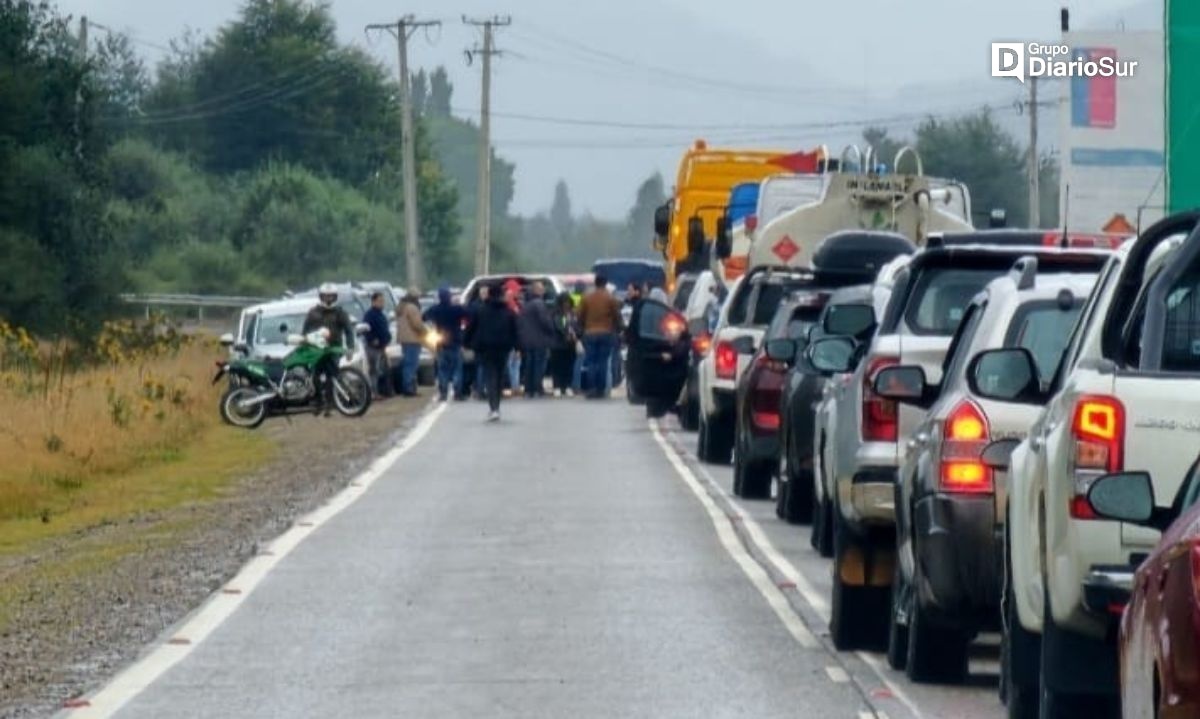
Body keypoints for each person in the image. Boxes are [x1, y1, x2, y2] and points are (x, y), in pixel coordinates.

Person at [464, 280, 519, 422]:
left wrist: (466, 343)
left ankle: (493, 408)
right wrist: (518, 347)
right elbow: (515, 331)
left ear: (489, 294)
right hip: (503, 348)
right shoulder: (508, 311)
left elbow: (471, 328)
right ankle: (497, 406)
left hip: (486, 348)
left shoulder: (481, 310)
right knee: (500, 376)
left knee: (490, 376)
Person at [301, 283, 355, 416]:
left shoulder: (340, 313)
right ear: (321, 297)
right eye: (326, 296)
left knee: (332, 376)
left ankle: (330, 404)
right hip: (316, 349)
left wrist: (350, 348)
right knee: (315, 376)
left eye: (331, 296)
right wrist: (304, 345)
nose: (328, 299)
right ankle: (318, 401)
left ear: (335, 297)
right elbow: (305, 332)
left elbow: (349, 331)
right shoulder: (313, 312)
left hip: (334, 349)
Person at [577, 274, 623, 399]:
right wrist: (619, 329)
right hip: (606, 333)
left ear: (595, 283)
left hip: (590, 333)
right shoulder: (610, 298)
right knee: (602, 362)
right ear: (605, 283)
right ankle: (600, 390)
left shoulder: (587, 298)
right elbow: (617, 316)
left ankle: (591, 388)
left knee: (591, 361)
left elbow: (579, 315)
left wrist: (580, 331)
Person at [425, 285, 468, 401]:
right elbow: (468, 314)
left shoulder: (435, 309)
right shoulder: (456, 309)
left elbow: (424, 317)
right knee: (457, 369)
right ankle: (457, 393)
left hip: (441, 343)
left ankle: (443, 393)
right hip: (455, 342)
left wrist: (433, 322)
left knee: (442, 370)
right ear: (449, 297)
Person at [516, 282, 558, 398]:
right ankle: (537, 388)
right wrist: (552, 330)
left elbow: (520, 323)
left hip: (527, 341)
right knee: (539, 365)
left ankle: (528, 389)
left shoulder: (525, 305)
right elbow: (545, 321)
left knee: (529, 365)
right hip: (539, 340)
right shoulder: (539, 304)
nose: (543, 291)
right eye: (541, 289)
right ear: (537, 291)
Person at [394, 288, 429, 397]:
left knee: (407, 363)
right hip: (413, 338)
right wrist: (426, 331)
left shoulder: (401, 307)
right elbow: (417, 324)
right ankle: (409, 388)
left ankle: (407, 387)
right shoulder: (412, 307)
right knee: (412, 365)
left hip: (404, 339)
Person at [362, 291, 393, 399]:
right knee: (374, 370)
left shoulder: (381, 314)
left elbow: (384, 329)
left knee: (384, 369)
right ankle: (374, 393)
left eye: (383, 301)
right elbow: (366, 330)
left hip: (382, 347)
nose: (382, 303)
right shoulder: (369, 315)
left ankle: (385, 391)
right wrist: (372, 340)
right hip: (373, 347)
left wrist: (387, 339)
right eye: (380, 301)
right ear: (373, 301)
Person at [549, 292, 579, 397]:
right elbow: (559, 326)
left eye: (568, 302)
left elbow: (578, 326)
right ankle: (557, 386)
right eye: (564, 302)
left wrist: (576, 334)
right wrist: (567, 333)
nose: (566, 305)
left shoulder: (573, 314)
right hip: (558, 344)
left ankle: (567, 386)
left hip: (570, 344)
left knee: (569, 366)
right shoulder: (557, 314)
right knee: (557, 366)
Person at [502, 279, 523, 397]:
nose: (518, 292)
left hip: (512, 340)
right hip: (510, 340)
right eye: (517, 290)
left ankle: (514, 386)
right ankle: (512, 386)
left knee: (514, 364)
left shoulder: (514, 304)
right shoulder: (511, 306)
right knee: (511, 364)